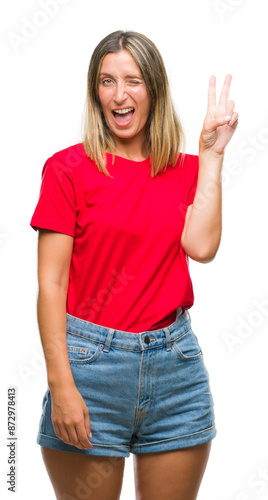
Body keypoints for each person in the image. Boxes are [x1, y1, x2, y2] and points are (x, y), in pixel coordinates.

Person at [30, 30, 238, 500]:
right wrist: (60, 383)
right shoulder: (68, 171)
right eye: (106, 81)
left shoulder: (185, 170)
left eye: (133, 81)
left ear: (154, 90)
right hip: (90, 371)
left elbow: (202, 247)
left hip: (176, 370)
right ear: (95, 92)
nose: (119, 95)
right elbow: (51, 283)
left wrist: (212, 154)